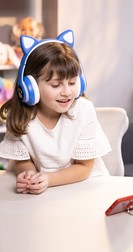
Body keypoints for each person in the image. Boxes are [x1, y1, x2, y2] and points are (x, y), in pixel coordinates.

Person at [0, 29, 111, 195]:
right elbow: (22, 160)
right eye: (56, 85)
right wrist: (29, 174)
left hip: (84, 187)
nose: (67, 92)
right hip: (44, 191)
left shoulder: (83, 110)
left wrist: (48, 179)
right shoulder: (19, 115)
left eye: (72, 82)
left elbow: (84, 168)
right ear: (31, 86)